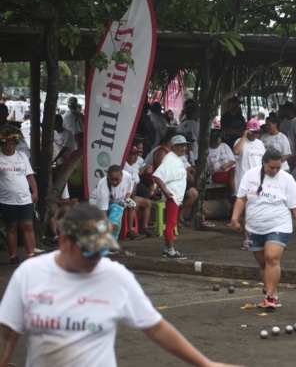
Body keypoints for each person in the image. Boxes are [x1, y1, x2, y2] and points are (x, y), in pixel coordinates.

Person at [0, 203, 239, 367]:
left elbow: (155, 327)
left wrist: (204, 363)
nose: (95, 259)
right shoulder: (31, 273)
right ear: (63, 241)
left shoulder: (115, 276)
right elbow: (7, 333)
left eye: (100, 252)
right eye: (88, 252)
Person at [231, 149, 296, 310]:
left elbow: (295, 205)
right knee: (263, 263)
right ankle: (271, 292)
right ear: (263, 163)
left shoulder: (287, 179)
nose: (274, 171)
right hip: (255, 226)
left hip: (278, 224)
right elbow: (241, 198)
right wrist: (234, 217)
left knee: (271, 257)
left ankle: (270, 297)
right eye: (271, 167)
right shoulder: (250, 175)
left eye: (278, 167)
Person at [0, 128, 37, 266]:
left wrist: (35, 192)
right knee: (12, 228)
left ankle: (30, 255)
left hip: (24, 198)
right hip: (6, 199)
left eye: (12, 144)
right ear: (2, 144)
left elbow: (30, 176)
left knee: (28, 225)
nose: (10, 147)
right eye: (7, 144)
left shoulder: (22, 156)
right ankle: (13, 256)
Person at [152, 135, 191, 259]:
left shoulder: (178, 158)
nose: (183, 148)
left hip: (176, 196)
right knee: (171, 223)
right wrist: (165, 191)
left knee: (172, 223)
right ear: (173, 147)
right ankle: (170, 250)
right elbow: (157, 176)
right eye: (180, 145)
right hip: (172, 195)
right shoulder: (169, 159)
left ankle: (167, 248)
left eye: (184, 145)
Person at [233, 120, 266, 249]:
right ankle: (246, 239)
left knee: (257, 209)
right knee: (247, 210)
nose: (254, 135)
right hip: (244, 179)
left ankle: (257, 236)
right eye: (252, 132)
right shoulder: (240, 142)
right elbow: (236, 152)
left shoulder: (260, 144)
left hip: (259, 179)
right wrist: (244, 136)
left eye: (257, 132)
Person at [89, 165, 135, 244]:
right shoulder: (103, 186)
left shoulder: (127, 176)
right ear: (108, 177)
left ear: (122, 176)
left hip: (116, 201)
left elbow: (128, 191)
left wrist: (126, 200)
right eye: (112, 179)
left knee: (116, 215)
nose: (114, 182)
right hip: (97, 203)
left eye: (117, 179)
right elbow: (103, 213)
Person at [123, 146, 156, 239]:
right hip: (121, 195)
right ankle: (130, 231)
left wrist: (132, 198)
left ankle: (144, 227)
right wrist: (131, 199)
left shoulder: (134, 165)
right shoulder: (123, 165)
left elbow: (135, 184)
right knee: (134, 205)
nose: (135, 157)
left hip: (130, 195)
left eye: (136, 155)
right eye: (133, 154)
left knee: (147, 203)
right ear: (127, 155)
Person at [207, 131, 236, 196]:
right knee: (235, 178)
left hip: (230, 170)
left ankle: (234, 195)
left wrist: (227, 165)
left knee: (235, 172)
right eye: (219, 138)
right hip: (216, 173)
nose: (220, 140)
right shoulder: (207, 151)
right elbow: (208, 169)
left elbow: (233, 160)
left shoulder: (224, 146)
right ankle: (234, 195)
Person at [278, 101, 296, 169]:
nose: (284, 111)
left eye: (285, 109)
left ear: (290, 110)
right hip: (285, 153)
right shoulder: (283, 122)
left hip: (294, 154)